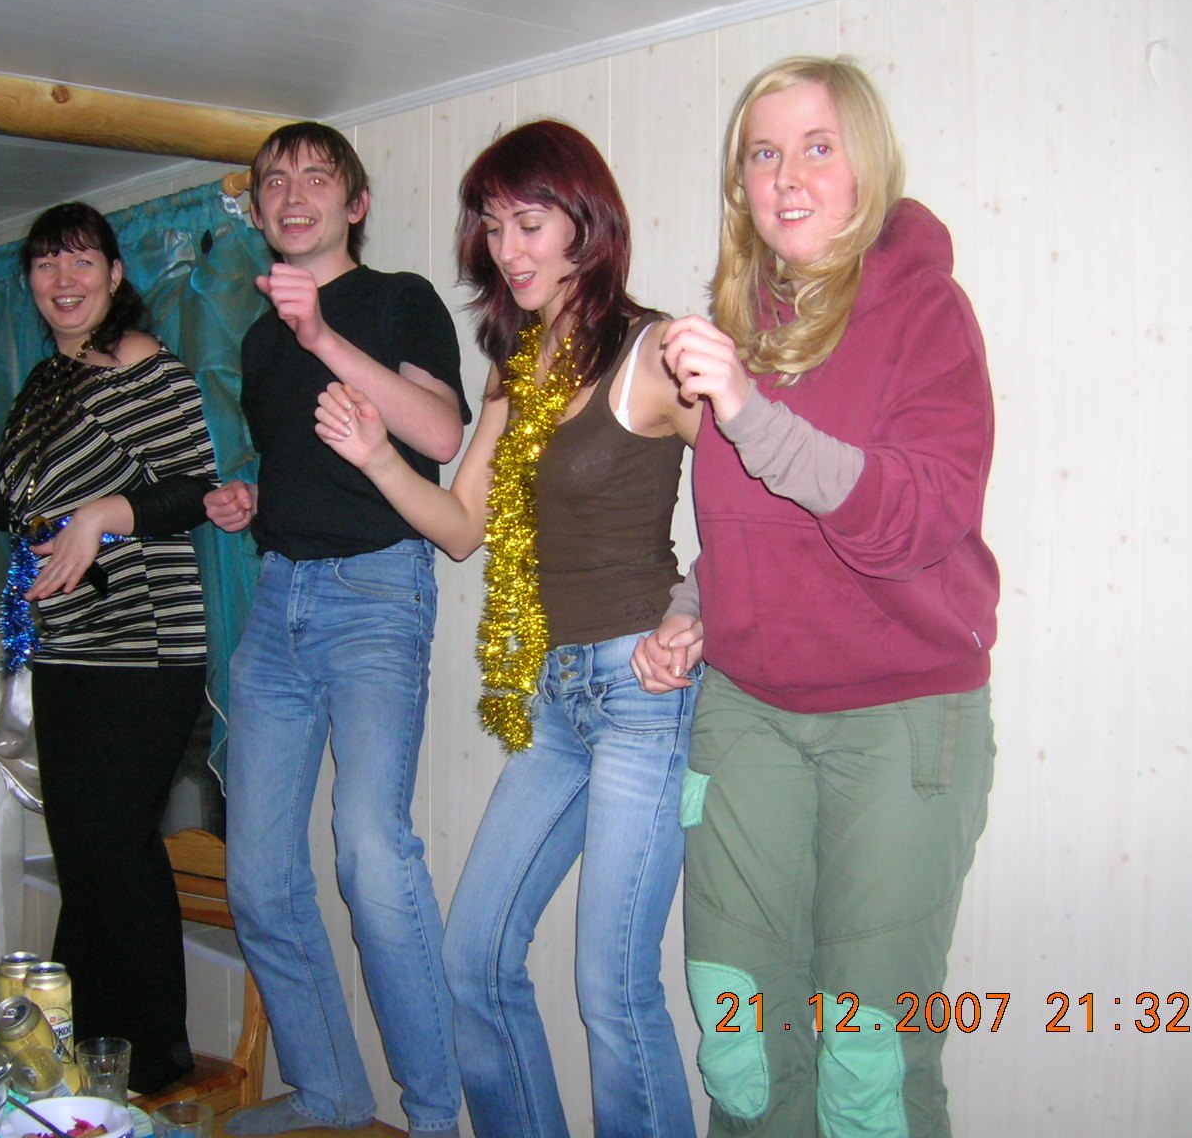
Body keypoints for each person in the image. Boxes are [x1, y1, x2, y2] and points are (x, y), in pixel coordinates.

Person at [316, 119, 702, 1138]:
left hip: (641, 689)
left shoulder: (655, 350)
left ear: (586, 223)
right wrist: (378, 457)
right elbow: (461, 528)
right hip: (555, 698)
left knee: (613, 991)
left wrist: (696, 610)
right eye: (493, 227)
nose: (508, 249)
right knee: (473, 959)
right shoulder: (514, 365)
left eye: (530, 223)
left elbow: (758, 506)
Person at [641, 56, 999, 1138]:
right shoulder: (735, 324)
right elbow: (746, 536)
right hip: (748, 709)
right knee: (740, 1039)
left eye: (817, 147)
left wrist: (749, 414)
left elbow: (913, 522)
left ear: (866, 166)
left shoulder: (926, 312)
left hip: (899, 717)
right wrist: (689, 611)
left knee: (866, 1055)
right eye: (764, 153)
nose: (786, 176)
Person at [0, 201, 216, 1094]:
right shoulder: (44, 385)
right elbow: (11, 507)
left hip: (142, 649)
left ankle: (153, 1062)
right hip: (67, 649)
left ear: (114, 274)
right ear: (29, 282)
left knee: (116, 848)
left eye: (81, 261)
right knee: (85, 854)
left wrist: (102, 514)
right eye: (46, 263)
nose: (64, 279)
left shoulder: (138, 362)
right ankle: (78, 1051)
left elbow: (193, 489)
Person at [203, 122, 469, 1137]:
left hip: (375, 597)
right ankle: (328, 1093)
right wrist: (252, 500)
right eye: (274, 181)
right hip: (280, 601)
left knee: (369, 851)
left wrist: (322, 336)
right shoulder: (257, 338)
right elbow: (309, 458)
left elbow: (438, 433)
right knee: (257, 876)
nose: (292, 193)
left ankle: (433, 1117)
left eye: (317, 177)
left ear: (354, 204)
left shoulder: (397, 299)